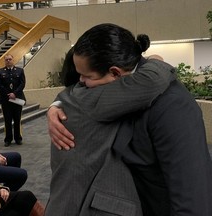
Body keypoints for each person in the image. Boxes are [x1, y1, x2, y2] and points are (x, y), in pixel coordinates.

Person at [47, 23, 212, 215]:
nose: (81, 83)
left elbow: (192, 192)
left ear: (115, 72)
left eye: (86, 76)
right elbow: (73, 94)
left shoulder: (171, 105)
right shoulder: (104, 89)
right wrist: (55, 106)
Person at [0, 53, 26, 146]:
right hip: (6, 100)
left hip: (17, 99)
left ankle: (18, 138)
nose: (8, 61)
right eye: (6, 60)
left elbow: (22, 84)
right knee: (7, 120)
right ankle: (8, 139)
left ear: (13, 60)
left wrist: (14, 93)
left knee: (17, 119)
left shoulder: (20, 71)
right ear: (4, 61)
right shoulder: (0, 72)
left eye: (10, 59)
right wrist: (8, 94)